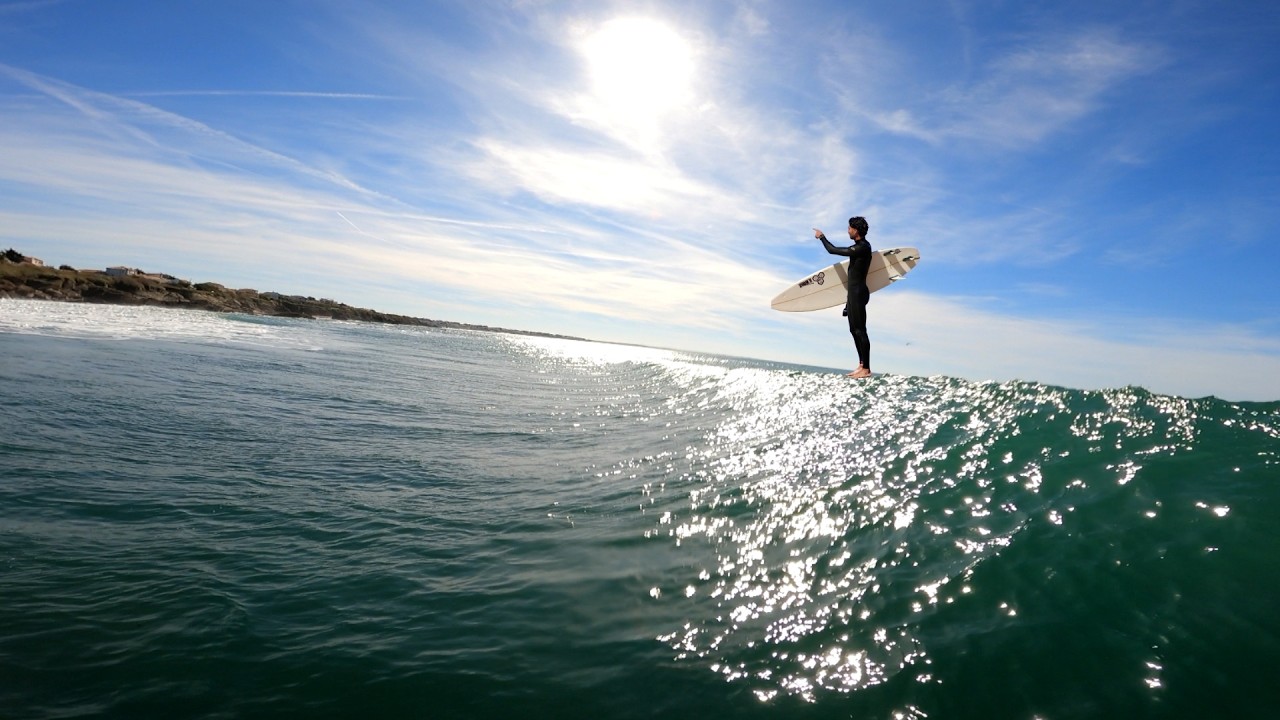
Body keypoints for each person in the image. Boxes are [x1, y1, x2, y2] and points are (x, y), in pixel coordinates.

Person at [814, 217, 872, 378]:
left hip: (859, 293)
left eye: (849, 228)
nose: (848, 230)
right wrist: (847, 302)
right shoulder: (859, 247)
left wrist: (822, 237)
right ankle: (861, 365)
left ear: (856, 230)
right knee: (853, 330)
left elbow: (833, 250)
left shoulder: (863, 247)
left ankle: (866, 368)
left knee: (861, 331)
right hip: (853, 294)